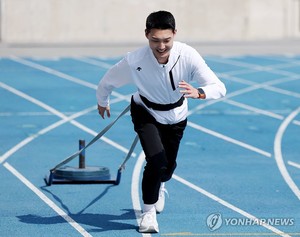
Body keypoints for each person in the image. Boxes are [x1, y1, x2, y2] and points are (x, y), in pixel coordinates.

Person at [96, 10, 226, 233]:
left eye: (167, 40)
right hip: (145, 111)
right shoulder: (135, 60)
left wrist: (200, 92)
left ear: (175, 33)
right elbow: (108, 80)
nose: (162, 46)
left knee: (166, 168)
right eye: (155, 40)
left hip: (176, 115)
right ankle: (147, 214)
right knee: (156, 162)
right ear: (146, 35)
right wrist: (102, 100)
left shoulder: (188, 55)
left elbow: (219, 87)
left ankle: (162, 184)